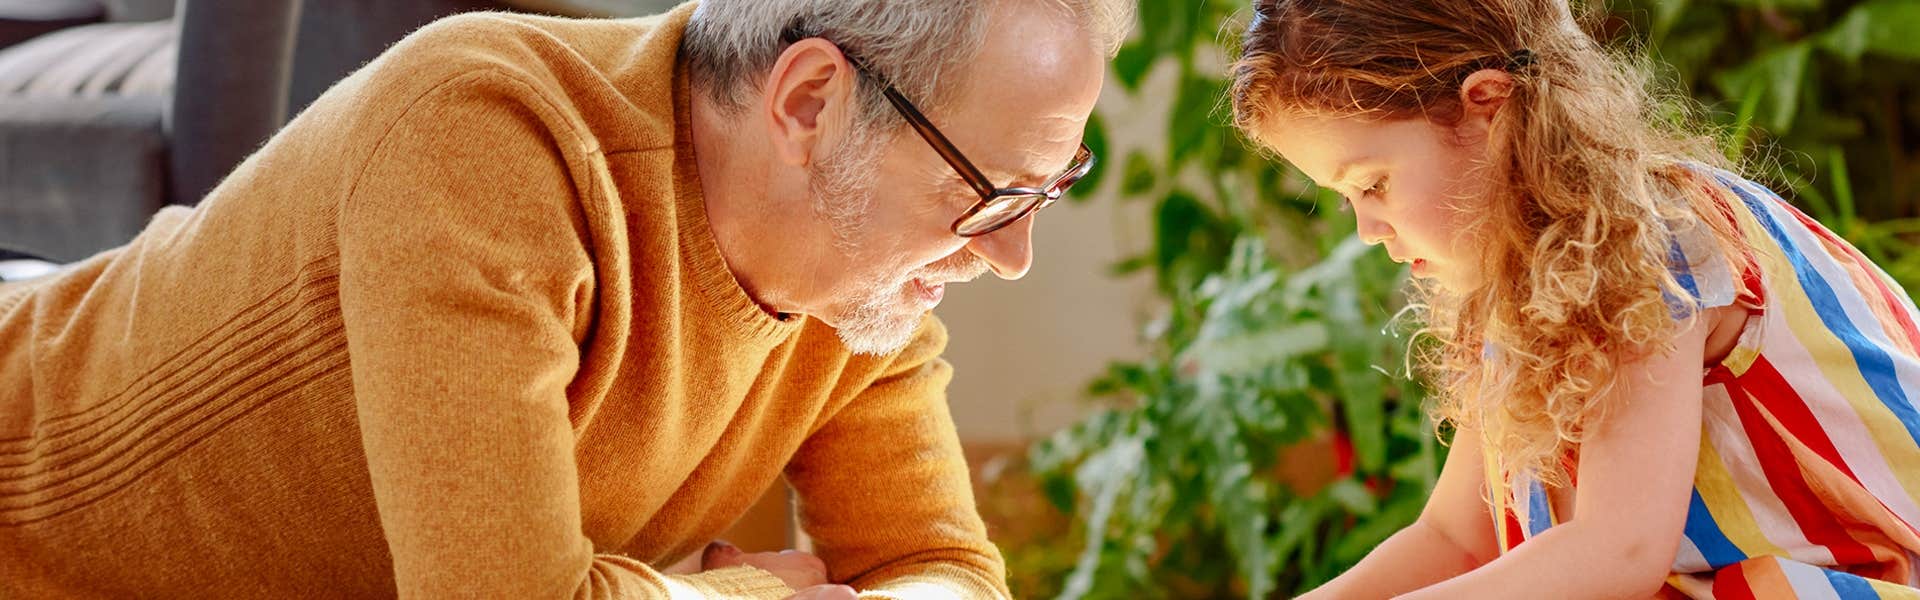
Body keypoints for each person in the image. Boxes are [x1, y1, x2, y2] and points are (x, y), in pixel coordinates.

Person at [0, 1, 1131, 598]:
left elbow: (945, 576)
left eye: (1047, 191)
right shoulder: (487, 137)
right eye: (987, 192)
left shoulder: (862, 283)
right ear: (812, 100)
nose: (1013, 252)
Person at [1229, 0, 1920, 597]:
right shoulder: (1512, 279)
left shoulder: (1650, 241)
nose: (1367, 229)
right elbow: (1455, 537)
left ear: (1489, 109)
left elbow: (1616, 552)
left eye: (1373, 183)